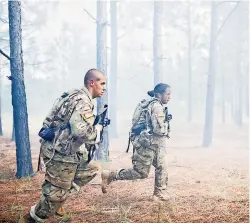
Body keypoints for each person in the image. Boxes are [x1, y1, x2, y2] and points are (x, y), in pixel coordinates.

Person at [26, 69, 107, 222]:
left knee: (91, 169)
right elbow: (80, 132)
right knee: (55, 196)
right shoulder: (83, 101)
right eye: (102, 83)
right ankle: (33, 217)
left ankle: (58, 200)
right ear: (91, 83)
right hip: (59, 152)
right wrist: (98, 130)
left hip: (62, 148)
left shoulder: (73, 94)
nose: (104, 88)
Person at [101, 83, 171, 201]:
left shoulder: (152, 104)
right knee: (140, 173)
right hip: (147, 144)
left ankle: (159, 194)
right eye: (168, 94)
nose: (170, 97)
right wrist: (166, 125)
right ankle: (111, 175)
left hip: (153, 143)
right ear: (159, 95)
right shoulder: (157, 107)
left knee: (162, 166)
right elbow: (158, 130)